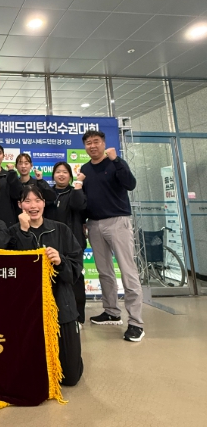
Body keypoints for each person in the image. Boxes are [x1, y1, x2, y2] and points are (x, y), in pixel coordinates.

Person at [9, 185, 83, 386]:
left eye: (37, 200)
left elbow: (75, 271)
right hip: (28, 308)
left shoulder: (61, 229)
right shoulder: (12, 232)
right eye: (27, 201)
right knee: (33, 375)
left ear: (44, 203)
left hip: (61, 305)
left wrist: (60, 261)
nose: (33, 206)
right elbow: (15, 271)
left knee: (70, 376)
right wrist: (24, 232)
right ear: (20, 205)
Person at [80, 130, 144, 342]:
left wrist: (117, 160)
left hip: (118, 222)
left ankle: (136, 322)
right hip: (94, 224)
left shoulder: (115, 163)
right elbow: (85, 198)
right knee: (104, 271)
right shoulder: (85, 169)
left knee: (127, 271)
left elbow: (130, 184)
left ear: (103, 143)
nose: (92, 146)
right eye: (88, 143)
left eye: (96, 142)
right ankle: (111, 311)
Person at [44, 161, 87, 326]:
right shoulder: (48, 194)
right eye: (58, 172)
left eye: (64, 172)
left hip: (73, 241)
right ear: (53, 175)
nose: (61, 175)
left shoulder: (75, 192)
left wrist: (78, 186)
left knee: (75, 278)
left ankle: (78, 317)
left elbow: (79, 205)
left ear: (70, 175)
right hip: (51, 241)